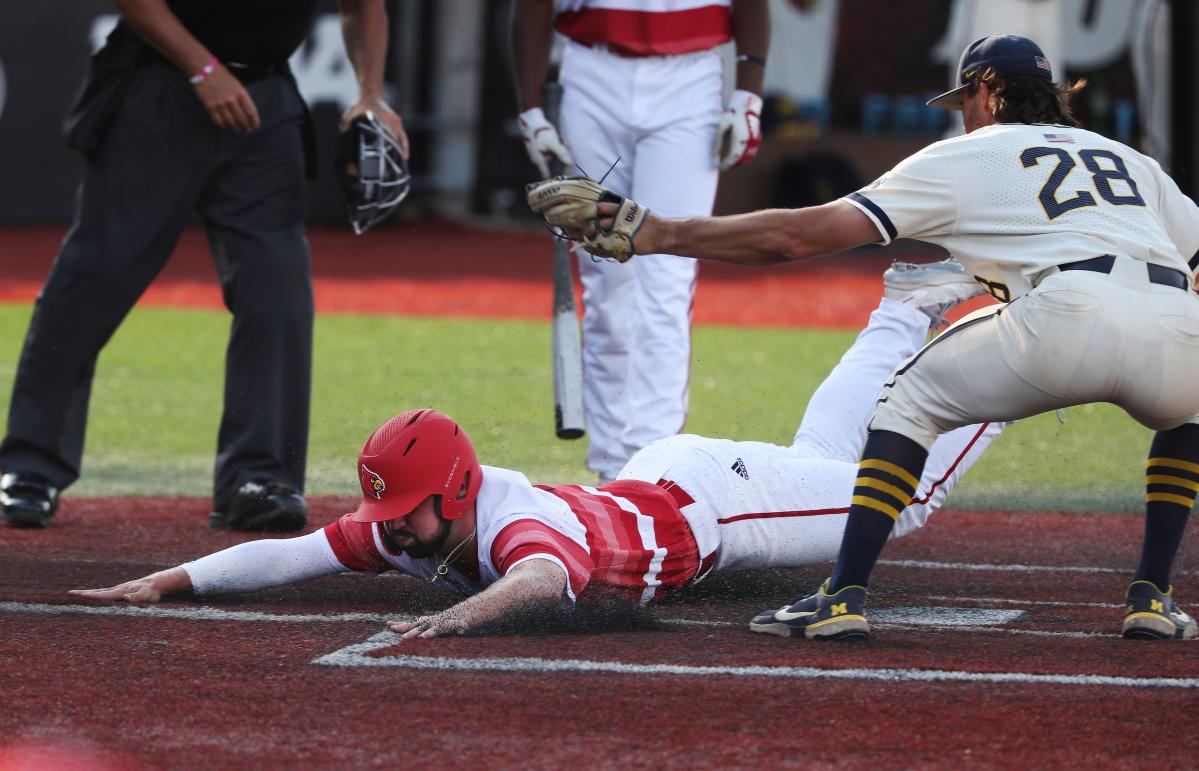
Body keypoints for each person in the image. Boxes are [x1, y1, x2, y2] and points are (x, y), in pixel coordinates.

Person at [527, 33, 1199, 642]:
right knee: (1186, 407)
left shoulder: (968, 153)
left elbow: (798, 234)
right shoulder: (1131, 162)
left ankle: (842, 595)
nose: (960, 112)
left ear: (986, 92)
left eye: (963, 98)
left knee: (904, 400)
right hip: (1175, 319)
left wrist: (658, 232)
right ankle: (1151, 594)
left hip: (1064, 313)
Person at [70, 267, 1003, 638]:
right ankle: (904, 306)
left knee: (900, 499)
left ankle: (1013, 353)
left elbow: (540, 581)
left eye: (409, 512)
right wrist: (171, 579)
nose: (395, 531)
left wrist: (454, 621)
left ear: (459, 487)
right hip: (673, 476)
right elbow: (293, 553)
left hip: (720, 509)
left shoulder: (519, 521)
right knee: (827, 454)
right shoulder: (419, 519)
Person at [0, 0, 408, 531]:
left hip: (265, 101)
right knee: (95, 277)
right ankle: (30, 465)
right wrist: (202, 67)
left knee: (277, 289)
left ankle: (259, 477)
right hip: (160, 85)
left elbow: (364, 7)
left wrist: (370, 93)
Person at [511, 0, 771, 484]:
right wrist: (528, 107)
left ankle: (654, 464)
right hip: (591, 69)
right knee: (607, 279)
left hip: (691, 76)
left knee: (666, 275)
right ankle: (611, 467)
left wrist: (747, 96)